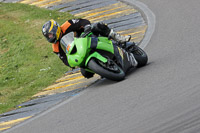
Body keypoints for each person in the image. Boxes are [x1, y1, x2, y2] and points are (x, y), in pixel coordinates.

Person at [42, 19, 131, 78]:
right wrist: (71, 64)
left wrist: (87, 27)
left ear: (55, 29)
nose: (50, 37)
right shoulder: (55, 47)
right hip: (80, 52)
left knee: (97, 26)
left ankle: (118, 37)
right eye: (47, 36)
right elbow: (65, 59)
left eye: (50, 34)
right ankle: (103, 68)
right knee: (85, 73)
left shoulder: (67, 24)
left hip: (86, 37)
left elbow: (82, 21)